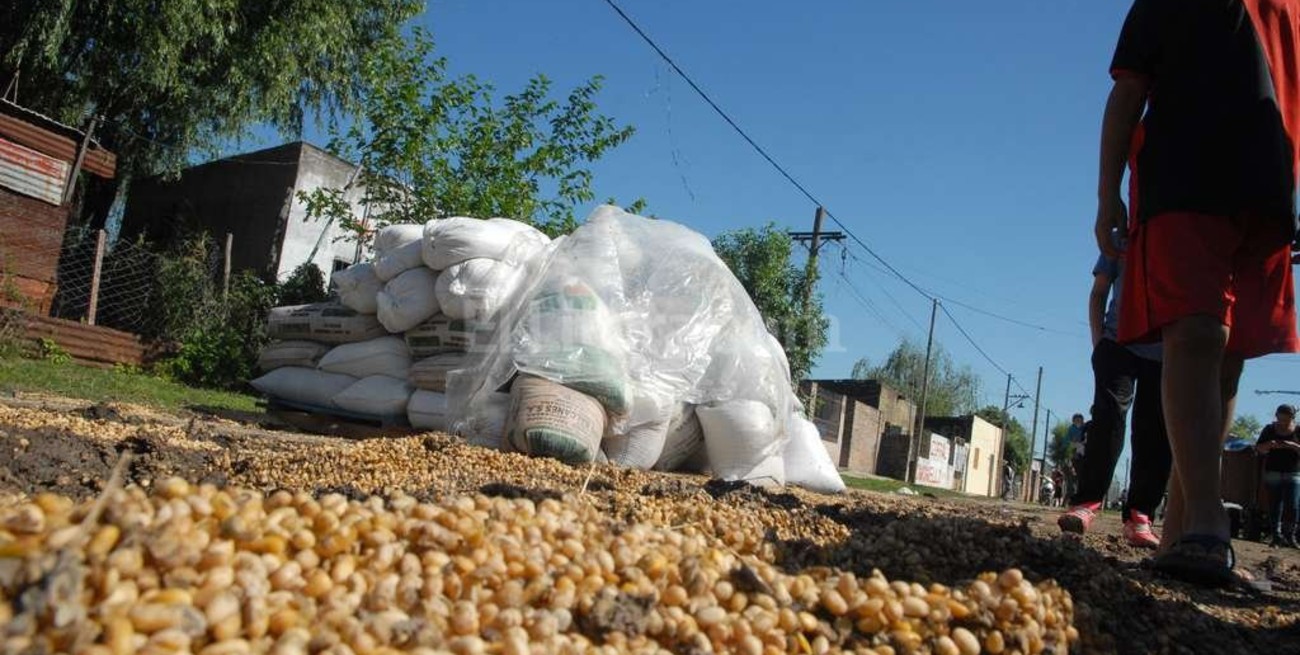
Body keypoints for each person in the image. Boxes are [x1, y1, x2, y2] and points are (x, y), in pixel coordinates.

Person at [1097, 0, 1300, 585]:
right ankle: (1210, 527)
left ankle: (1185, 531)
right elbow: (1127, 92)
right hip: (1181, 175)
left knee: (1231, 357)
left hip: (1265, 191)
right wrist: (1107, 192)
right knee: (1197, 331)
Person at [1058, 230, 1170, 549]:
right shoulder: (1122, 238)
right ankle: (1086, 504)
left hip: (1166, 351)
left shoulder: (1182, 230)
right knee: (1108, 416)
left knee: (1154, 430)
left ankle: (1139, 517)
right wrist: (1099, 343)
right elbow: (1099, 292)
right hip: (1116, 343)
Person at [1258, 404, 1300, 547]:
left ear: (1292, 418)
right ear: (1276, 416)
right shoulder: (1269, 429)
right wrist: (1270, 444)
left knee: (1293, 506)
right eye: (1280, 419)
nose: (1282, 423)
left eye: (1286, 420)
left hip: (1293, 472)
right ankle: (1276, 536)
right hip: (1273, 471)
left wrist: (1294, 446)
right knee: (1275, 505)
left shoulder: (1298, 430)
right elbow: (1259, 448)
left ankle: (1290, 535)